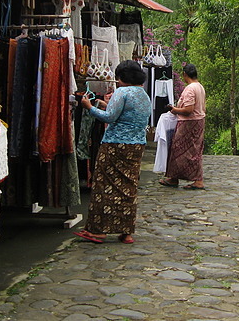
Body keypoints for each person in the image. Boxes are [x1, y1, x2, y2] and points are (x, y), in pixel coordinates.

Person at [73, 60, 151, 244]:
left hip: (115, 145)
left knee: (104, 185)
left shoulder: (122, 92)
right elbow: (123, 115)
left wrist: (89, 108)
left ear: (122, 77)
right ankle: (126, 231)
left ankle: (98, 230)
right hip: (136, 146)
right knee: (128, 188)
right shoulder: (143, 94)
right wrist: (101, 104)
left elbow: (110, 118)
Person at [160, 63, 206, 189]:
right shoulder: (200, 87)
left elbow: (188, 109)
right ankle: (174, 177)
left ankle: (195, 180)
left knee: (179, 149)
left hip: (189, 122)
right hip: (199, 121)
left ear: (185, 74)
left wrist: (174, 109)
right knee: (193, 150)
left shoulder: (190, 89)